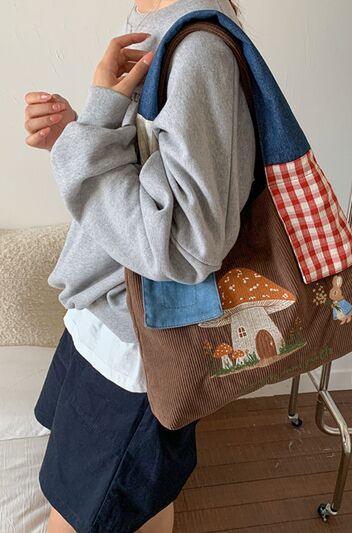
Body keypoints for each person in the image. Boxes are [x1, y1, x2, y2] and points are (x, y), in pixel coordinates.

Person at [24, 0, 255, 531]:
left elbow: (188, 244)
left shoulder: (198, 51)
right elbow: (147, 172)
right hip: (105, 317)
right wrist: (82, 132)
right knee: (134, 507)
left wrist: (83, 149)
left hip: (134, 347)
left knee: (83, 514)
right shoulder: (148, 21)